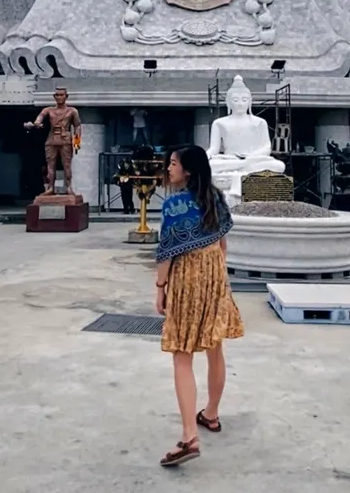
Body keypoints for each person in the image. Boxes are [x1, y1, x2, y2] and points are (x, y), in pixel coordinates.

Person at [154, 145, 244, 468]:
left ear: (188, 170)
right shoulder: (216, 198)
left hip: (187, 277)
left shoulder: (175, 204)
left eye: (173, 164)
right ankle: (211, 414)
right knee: (214, 346)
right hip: (215, 273)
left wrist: (160, 288)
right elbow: (223, 243)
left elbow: (166, 251)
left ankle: (190, 436)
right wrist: (218, 278)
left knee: (182, 354)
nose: (169, 169)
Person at [24, 88, 82, 195]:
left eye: (61, 95)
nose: (59, 97)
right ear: (54, 97)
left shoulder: (72, 111)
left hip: (65, 138)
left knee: (67, 165)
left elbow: (77, 126)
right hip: (51, 139)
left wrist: (77, 142)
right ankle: (51, 188)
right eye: (57, 95)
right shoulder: (48, 110)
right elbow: (40, 117)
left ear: (66, 96)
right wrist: (37, 123)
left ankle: (68, 187)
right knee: (50, 165)